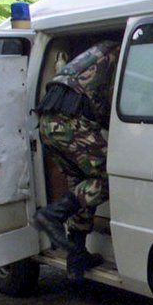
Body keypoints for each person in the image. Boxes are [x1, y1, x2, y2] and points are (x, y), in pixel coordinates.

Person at [33, 40, 120, 281]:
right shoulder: (121, 54)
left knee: (83, 183)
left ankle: (76, 257)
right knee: (110, 177)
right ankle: (52, 215)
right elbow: (115, 104)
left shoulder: (95, 52)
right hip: (70, 122)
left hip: (48, 123)